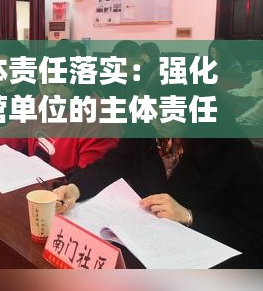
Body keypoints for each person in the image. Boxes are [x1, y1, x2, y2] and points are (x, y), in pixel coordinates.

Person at [54, 73, 263, 268]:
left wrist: (188, 216)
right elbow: (110, 166)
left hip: (200, 262)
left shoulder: (231, 150)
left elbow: (253, 234)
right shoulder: (146, 128)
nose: (156, 122)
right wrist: (75, 187)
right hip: (142, 248)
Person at [0, 46, 121, 174]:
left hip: (67, 195)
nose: (48, 90)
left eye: (56, 83)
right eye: (42, 82)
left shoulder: (98, 116)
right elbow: (12, 132)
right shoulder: (41, 101)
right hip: (34, 181)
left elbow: (90, 176)